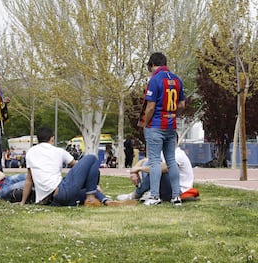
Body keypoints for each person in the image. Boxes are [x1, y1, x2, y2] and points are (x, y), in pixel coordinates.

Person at [20, 127, 136, 207]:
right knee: (91, 159)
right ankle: (91, 197)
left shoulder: (30, 152)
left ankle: (106, 201)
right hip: (61, 190)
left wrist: (23, 202)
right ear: (52, 139)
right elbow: (79, 166)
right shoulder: (58, 151)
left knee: (87, 190)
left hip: (52, 200)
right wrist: (94, 181)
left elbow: (29, 180)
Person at [140, 52, 185, 206]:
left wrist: (145, 123)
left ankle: (154, 196)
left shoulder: (155, 79)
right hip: (171, 126)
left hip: (156, 126)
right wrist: (171, 112)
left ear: (152, 65)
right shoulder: (177, 79)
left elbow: (150, 107)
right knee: (171, 160)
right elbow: (182, 105)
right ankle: (176, 196)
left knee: (154, 162)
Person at [117, 133, 199, 202]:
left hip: (178, 190)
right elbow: (145, 161)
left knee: (157, 171)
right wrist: (134, 172)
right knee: (149, 163)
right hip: (168, 187)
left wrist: (139, 169)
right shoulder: (164, 153)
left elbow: (164, 168)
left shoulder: (178, 154)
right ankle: (149, 192)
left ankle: (137, 194)